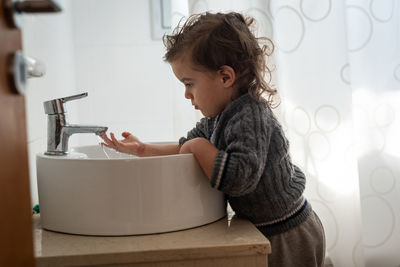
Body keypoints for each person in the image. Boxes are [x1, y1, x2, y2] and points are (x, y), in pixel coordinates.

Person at [101, 12, 325, 266]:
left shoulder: (251, 116)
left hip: (288, 232)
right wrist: (143, 149)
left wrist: (198, 146)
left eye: (189, 83)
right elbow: (183, 148)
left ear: (225, 77)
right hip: (268, 228)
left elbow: (238, 178)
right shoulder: (219, 117)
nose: (186, 95)